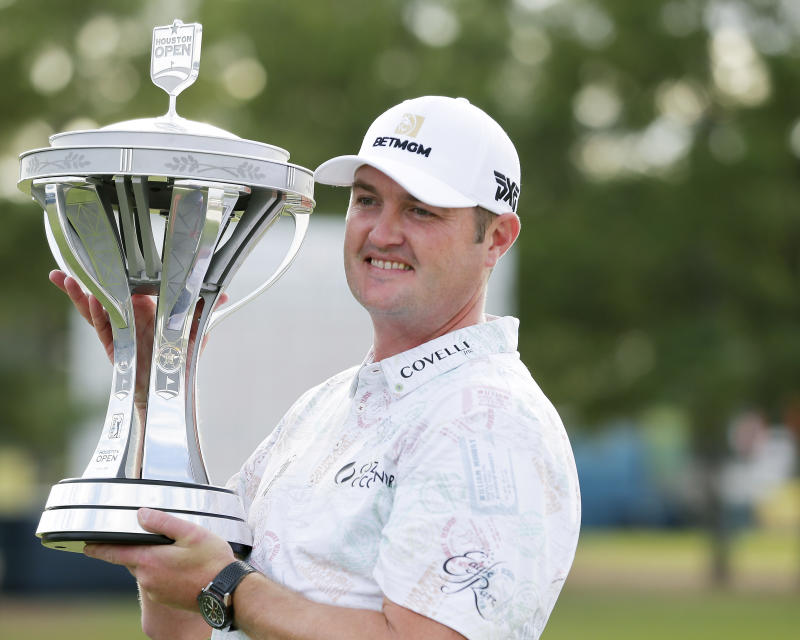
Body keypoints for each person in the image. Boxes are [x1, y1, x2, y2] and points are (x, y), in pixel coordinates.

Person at [52, 95, 580, 639]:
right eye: (367, 200)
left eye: (421, 209)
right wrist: (155, 396)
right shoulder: (324, 408)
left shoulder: (489, 421)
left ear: (496, 238)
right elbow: (187, 628)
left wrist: (229, 588)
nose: (382, 232)